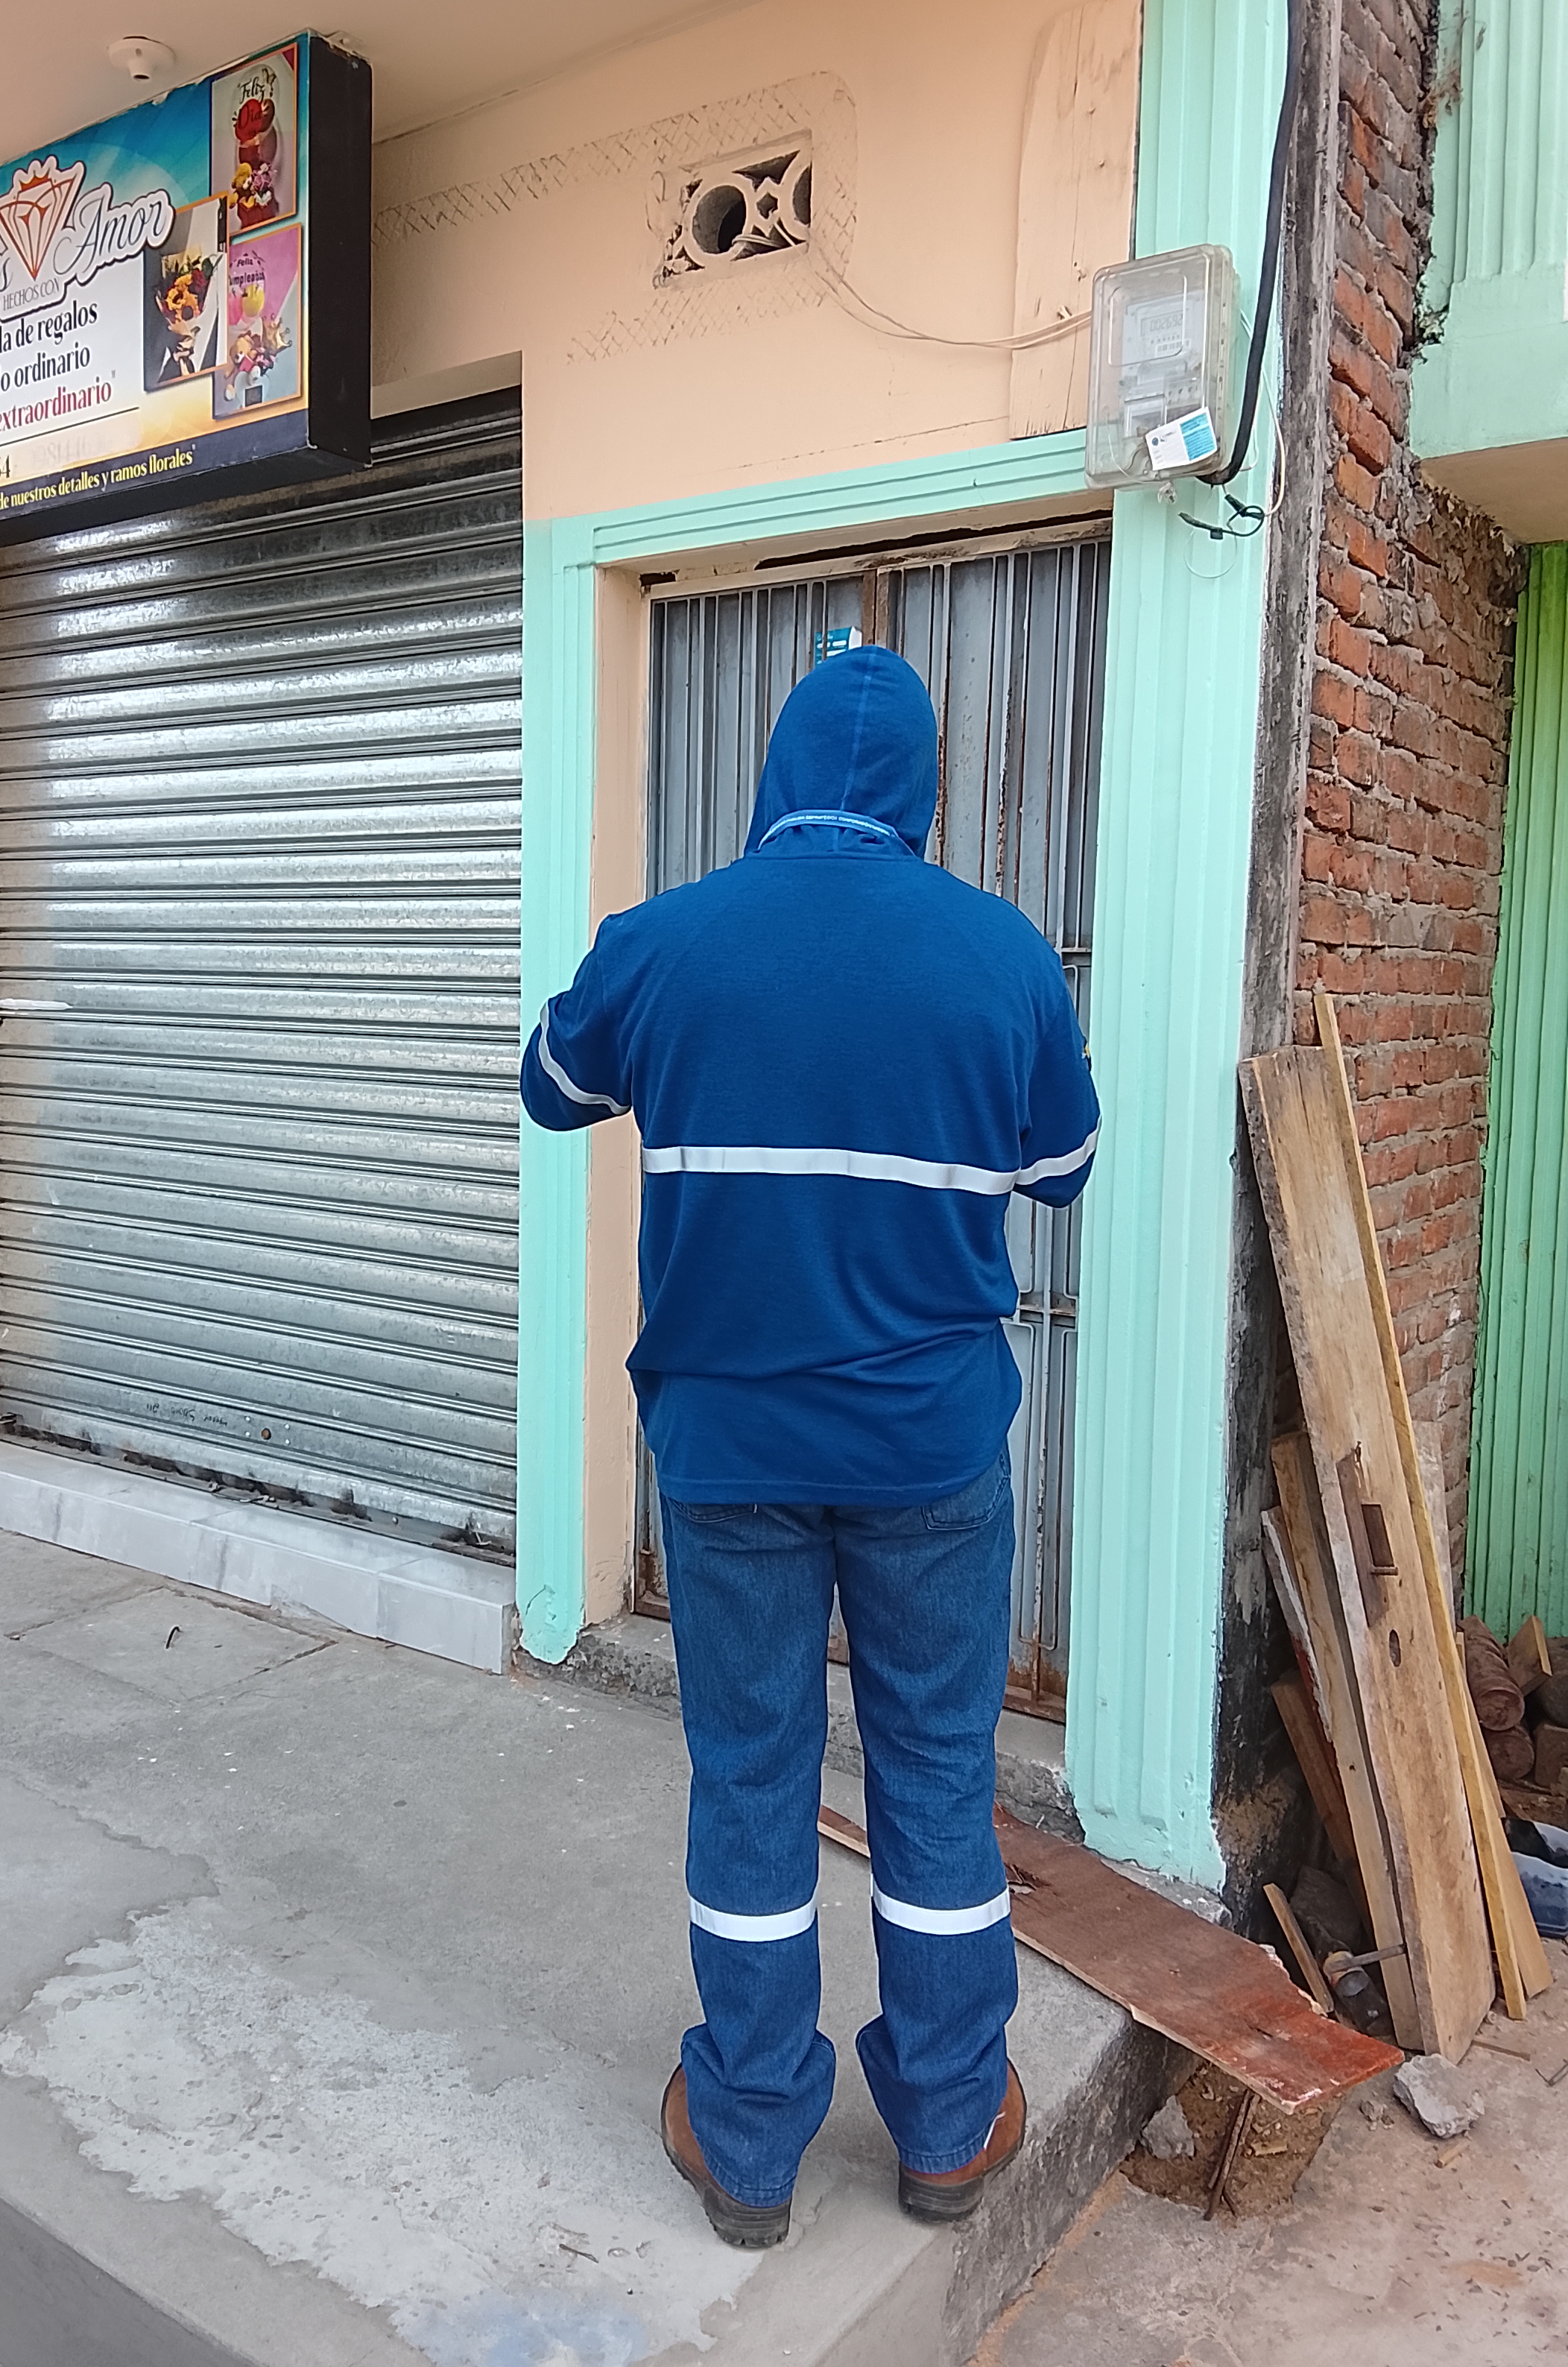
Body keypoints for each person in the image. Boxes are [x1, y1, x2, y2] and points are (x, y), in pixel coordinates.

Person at [519, 645, 1098, 2246]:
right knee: (936, 1772)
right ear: (922, 788)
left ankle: (751, 2139)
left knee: (753, 1776)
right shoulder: (1002, 958)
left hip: (732, 1458)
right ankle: (949, 2122)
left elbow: (550, 1084)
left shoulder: (664, 943)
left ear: (776, 769)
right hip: (931, 1458)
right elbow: (1064, 1168)